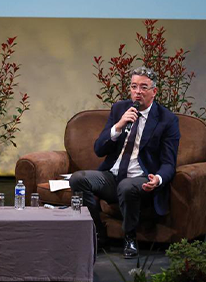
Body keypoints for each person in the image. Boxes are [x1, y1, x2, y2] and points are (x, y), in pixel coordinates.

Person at [70, 66, 180, 259]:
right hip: (113, 176)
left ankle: (130, 237)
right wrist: (118, 126)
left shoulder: (167, 120)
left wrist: (159, 179)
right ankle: (97, 233)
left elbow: (169, 162)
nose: (138, 92)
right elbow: (99, 149)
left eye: (143, 87)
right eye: (134, 86)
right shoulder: (120, 109)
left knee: (128, 186)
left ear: (154, 92)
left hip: (141, 179)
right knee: (79, 179)